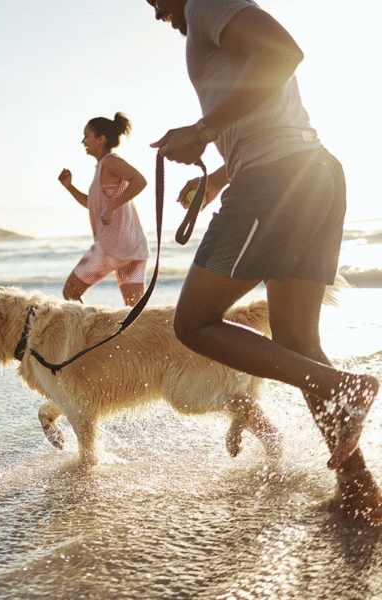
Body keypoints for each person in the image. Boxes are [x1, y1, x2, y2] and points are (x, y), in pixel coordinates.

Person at [145, 0, 381, 521]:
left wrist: (202, 131)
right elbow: (270, 111)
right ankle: (360, 489)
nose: (155, 11)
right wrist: (220, 177)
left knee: (194, 323)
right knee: (298, 342)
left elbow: (283, 55)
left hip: (274, 182)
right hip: (310, 172)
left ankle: (345, 386)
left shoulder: (206, 3)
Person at [58, 112, 150, 307]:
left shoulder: (110, 162)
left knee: (70, 294)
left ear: (101, 139)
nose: (83, 141)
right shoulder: (103, 166)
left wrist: (112, 207)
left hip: (111, 247)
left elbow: (140, 181)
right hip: (133, 247)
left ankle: (90, 335)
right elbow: (91, 204)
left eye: (87, 135)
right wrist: (69, 186)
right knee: (133, 310)